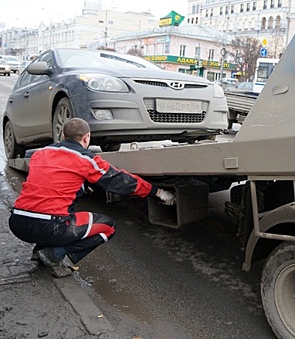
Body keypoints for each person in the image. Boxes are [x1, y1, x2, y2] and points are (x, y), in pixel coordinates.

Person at [8, 118, 175, 277]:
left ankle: (40, 250)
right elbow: (122, 181)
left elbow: (52, 181)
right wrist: (158, 192)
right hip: (51, 227)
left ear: (63, 136)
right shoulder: (85, 159)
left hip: (18, 223)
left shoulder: (40, 154)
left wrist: (81, 185)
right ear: (87, 137)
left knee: (56, 210)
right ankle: (53, 254)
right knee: (108, 227)